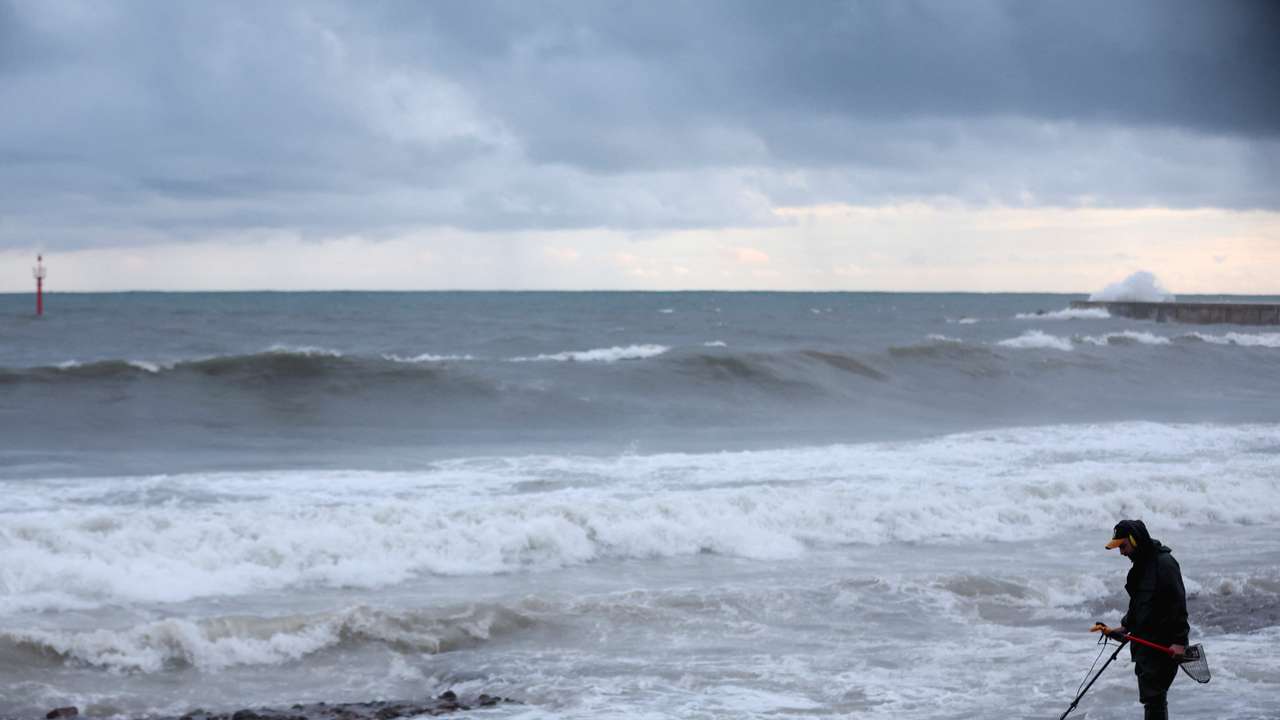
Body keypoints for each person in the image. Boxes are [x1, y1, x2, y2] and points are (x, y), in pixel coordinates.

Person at [1092, 519, 1189, 720]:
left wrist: (1180, 642)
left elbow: (1177, 605)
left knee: (1154, 697)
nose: (1121, 552)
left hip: (1162, 644)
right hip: (1145, 644)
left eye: (1123, 546)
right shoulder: (1140, 568)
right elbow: (1140, 605)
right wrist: (1125, 627)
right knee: (1151, 697)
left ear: (1135, 540)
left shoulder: (1165, 564)